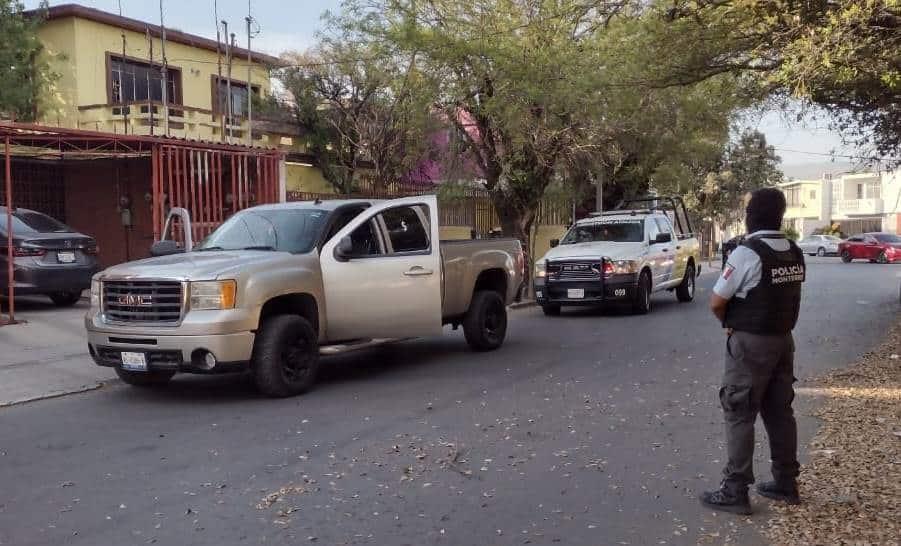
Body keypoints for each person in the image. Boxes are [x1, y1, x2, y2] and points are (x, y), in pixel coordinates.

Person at [700, 188, 806, 515]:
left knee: (739, 411)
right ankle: (786, 483)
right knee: (779, 412)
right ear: (780, 216)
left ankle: (735, 490)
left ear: (751, 216)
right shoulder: (794, 251)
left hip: (750, 344)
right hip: (783, 341)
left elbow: (717, 301)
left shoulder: (747, 253)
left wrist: (729, 323)